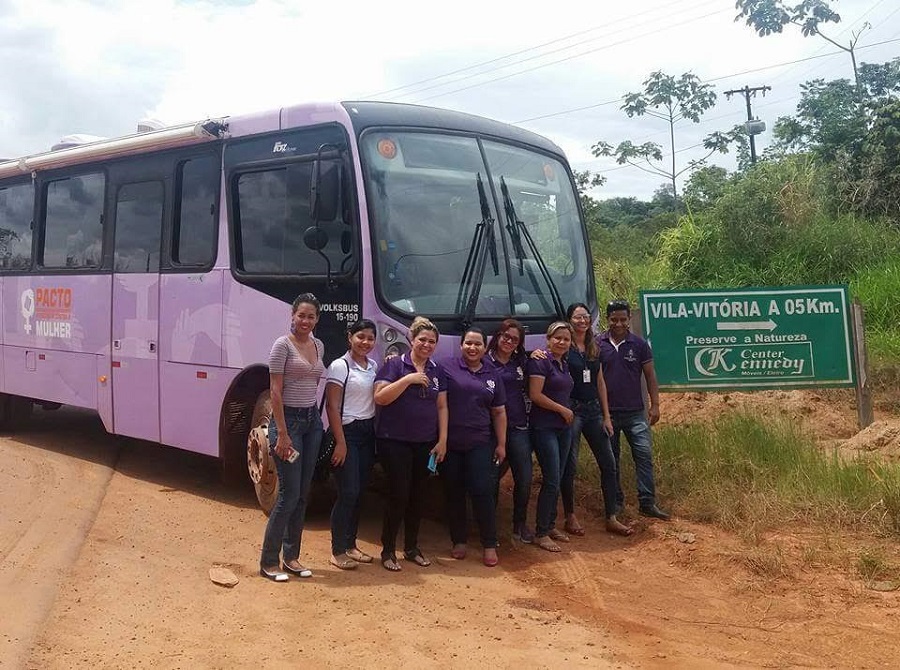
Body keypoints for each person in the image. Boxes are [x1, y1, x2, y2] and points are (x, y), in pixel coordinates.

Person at [259, 293, 325, 582]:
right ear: (292, 315)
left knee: (302, 495)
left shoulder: (318, 345)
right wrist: (282, 434)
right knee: (288, 495)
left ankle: (292, 557)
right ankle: (269, 562)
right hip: (288, 424)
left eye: (311, 317)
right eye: (302, 316)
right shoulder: (281, 346)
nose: (306, 321)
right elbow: (275, 391)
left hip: (312, 423)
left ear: (317, 320)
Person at [374, 317, 448, 572]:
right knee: (398, 494)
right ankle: (387, 550)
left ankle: (412, 548)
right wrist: (409, 380)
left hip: (425, 442)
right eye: (422, 340)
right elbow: (380, 398)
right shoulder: (395, 365)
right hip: (394, 440)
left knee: (418, 496)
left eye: (431, 341)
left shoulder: (437, 370)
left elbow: (442, 405)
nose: (426, 345)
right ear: (411, 340)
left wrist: (442, 440)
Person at [560, 303, 633, 537]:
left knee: (609, 463)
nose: (582, 320)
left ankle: (611, 516)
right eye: (577, 317)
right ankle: (570, 516)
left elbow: (600, 382)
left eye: (585, 316)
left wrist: (606, 416)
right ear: (570, 320)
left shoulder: (595, 346)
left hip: (593, 411)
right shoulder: (563, 346)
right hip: (572, 411)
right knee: (569, 465)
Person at [599, 300, 670, 521]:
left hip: (635, 413)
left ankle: (647, 502)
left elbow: (650, 375)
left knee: (644, 456)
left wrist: (655, 404)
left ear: (629, 319)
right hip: (607, 414)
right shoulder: (597, 344)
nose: (618, 324)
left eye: (622, 319)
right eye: (614, 319)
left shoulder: (639, 345)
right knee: (612, 461)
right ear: (607, 319)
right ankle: (616, 503)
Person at [442, 327, 507, 567]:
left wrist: (501, 444)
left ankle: (489, 544)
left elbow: (499, 412)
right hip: (450, 444)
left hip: (481, 442)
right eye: (468, 343)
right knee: (454, 492)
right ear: (461, 346)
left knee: (482, 491)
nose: (472, 347)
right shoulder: (447, 368)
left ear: (484, 347)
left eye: (478, 344)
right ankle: (459, 540)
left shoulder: (493, 374)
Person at [325, 319, 379, 570]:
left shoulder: (374, 366)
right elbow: (332, 406)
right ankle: (337, 550)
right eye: (361, 337)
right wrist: (341, 442)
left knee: (359, 493)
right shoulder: (339, 366)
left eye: (370, 338)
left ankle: (351, 545)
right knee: (347, 492)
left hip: (368, 433)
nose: (365, 342)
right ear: (350, 337)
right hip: (347, 433)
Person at [527, 321, 575, 552]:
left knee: (560, 475)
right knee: (552, 478)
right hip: (544, 426)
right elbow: (535, 395)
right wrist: (562, 410)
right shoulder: (540, 361)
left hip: (563, 428)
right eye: (557, 338)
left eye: (566, 339)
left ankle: (551, 524)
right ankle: (541, 532)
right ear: (548, 339)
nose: (562, 342)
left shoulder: (562, 362)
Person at [486, 319, 534, 544]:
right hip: (491, 431)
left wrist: (539, 355)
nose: (509, 342)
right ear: (498, 336)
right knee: (492, 479)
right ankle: (490, 528)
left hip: (518, 428)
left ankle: (519, 524)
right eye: (506, 337)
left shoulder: (522, 362)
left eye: (514, 339)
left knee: (524, 478)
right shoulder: (484, 362)